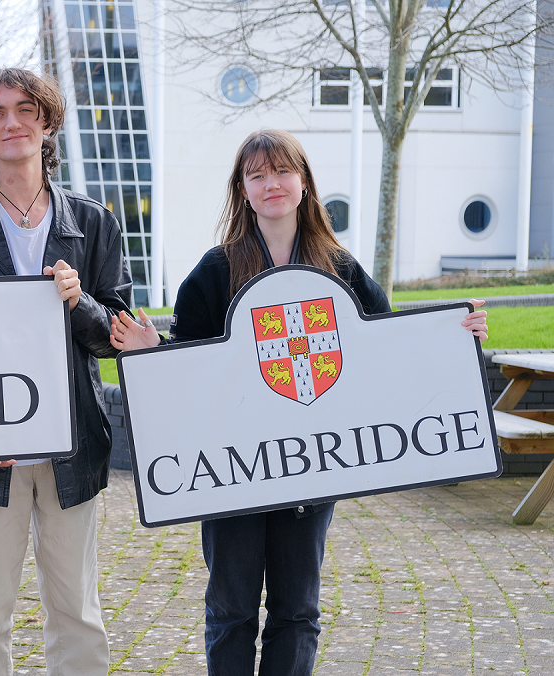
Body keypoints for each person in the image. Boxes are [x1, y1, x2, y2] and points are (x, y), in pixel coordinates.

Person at [109, 129, 489, 676]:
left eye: (282, 172)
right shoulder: (216, 272)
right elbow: (191, 366)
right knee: (232, 608)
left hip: (309, 465)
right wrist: (153, 351)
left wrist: (454, 338)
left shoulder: (340, 269)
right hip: (233, 470)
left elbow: (389, 347)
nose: (271, 185)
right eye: (256, 175)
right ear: (241, 189)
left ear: (304, 181)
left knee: (297, 608)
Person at [0, 67, 131, 676]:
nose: (11, 122)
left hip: (71, 443)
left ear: (47, 123)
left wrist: (79, 302)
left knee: (78, 612)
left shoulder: (92, 223)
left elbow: (114, 338)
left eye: (24, 110)